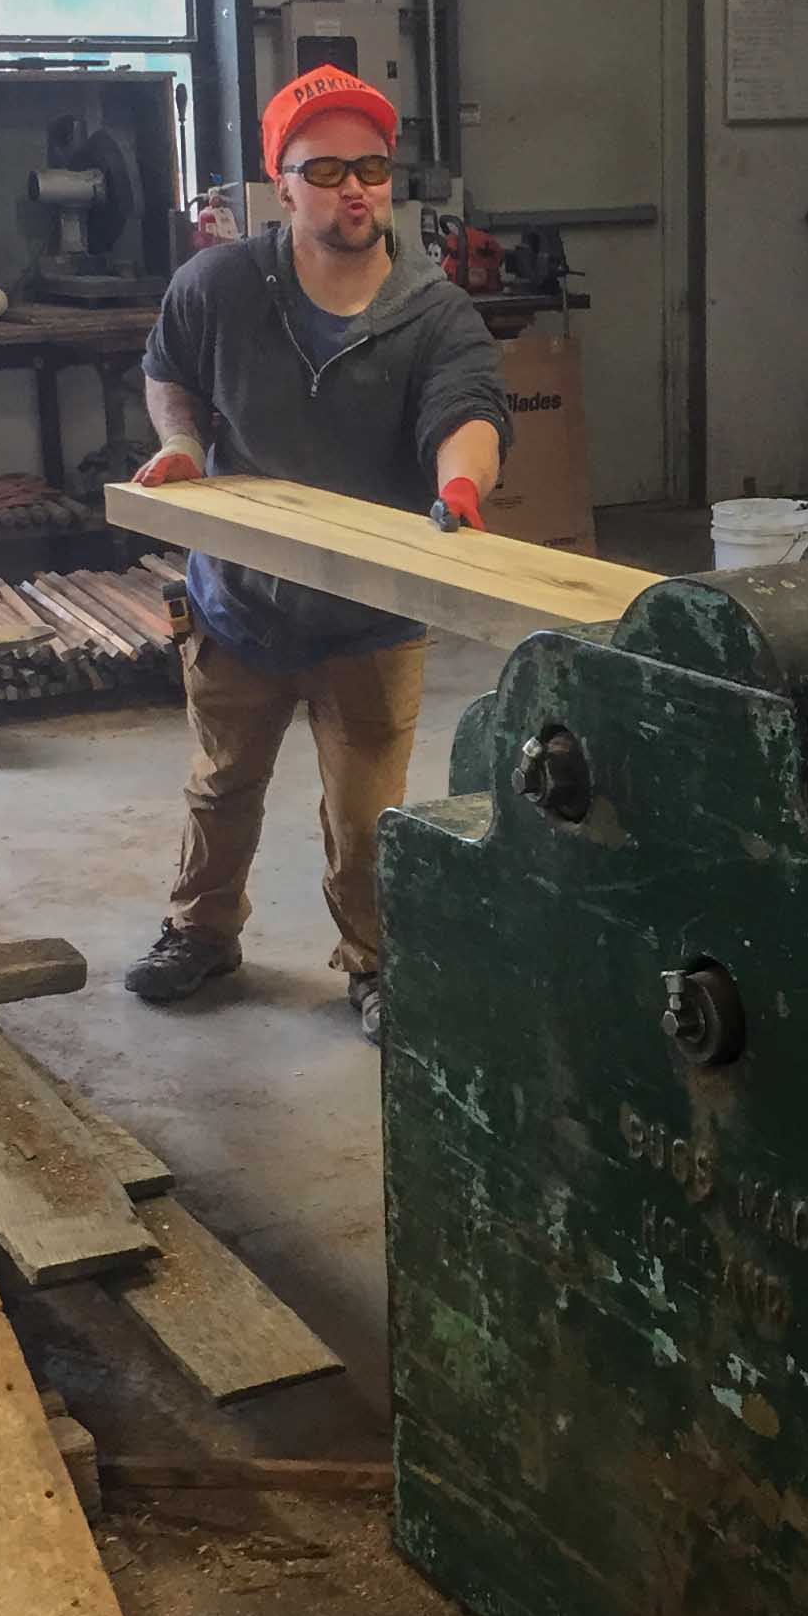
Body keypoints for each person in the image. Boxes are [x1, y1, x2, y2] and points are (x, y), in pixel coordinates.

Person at [124, 63, 509, 1039]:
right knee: (220, 785)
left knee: (370, 816)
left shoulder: (434, 312)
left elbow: (468, 414)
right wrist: (179, 445)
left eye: (372, 167)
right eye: (326, 167)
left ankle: (377, 962)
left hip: (369, 617)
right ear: (281, 184)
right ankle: (200, 932)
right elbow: (168, 367)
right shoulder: (219, 284)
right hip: (239, 601)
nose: (354, 188)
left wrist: (461, 484)